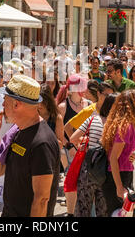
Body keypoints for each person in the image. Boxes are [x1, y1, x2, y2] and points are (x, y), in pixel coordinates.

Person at [0, 75, 60, 217]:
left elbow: (42, 200)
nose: (2, 106)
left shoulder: (42, 143)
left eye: (5, 101)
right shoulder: (18, 130)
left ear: (16, 104)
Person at [70, 93, 118, 217]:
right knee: (103, 211)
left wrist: (86, 143)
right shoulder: (117, 126)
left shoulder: (92, 119)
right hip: (106, 172)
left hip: (88, 169)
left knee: (82, 208)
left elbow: (73, 138)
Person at [100, 90, 135, 216]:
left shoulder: (124, 124)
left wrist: (129, 154)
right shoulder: (125, 126)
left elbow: (120, 152)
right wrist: (119, 187)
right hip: (119, 176)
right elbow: (113, 158)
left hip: (121, 174)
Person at [56, 74, 91, 216]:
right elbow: (58, 132)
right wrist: (70, 146)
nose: (84, 90)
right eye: (81, 86)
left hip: (86, 149)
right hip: (68, 150)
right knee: (71, 180)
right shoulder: (62, 107)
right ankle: (71, 212)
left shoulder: (88, 104)